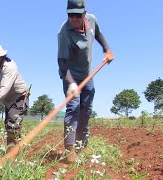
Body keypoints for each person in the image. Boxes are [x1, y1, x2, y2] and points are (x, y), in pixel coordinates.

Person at [57, 0, 114, 163]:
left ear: (84, 13)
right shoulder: (64, 33)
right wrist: (71, 83)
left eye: (77, 15)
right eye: (70, 15)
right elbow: (62, 63)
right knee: (73, 107)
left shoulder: (92, 20)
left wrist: (107, 49)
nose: (73, 19)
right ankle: (70, 150)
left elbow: (98, 34)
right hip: (70, 75)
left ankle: (83, 144)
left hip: (88, 75)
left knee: (86, 109)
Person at [0, 44, 29, 150]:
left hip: (19, 96)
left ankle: (12, 153)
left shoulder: (10, 66)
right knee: (9, 123)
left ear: (2, 57)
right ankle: (16, 148)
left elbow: (4, 88)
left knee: (13, 123)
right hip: (7, 99)